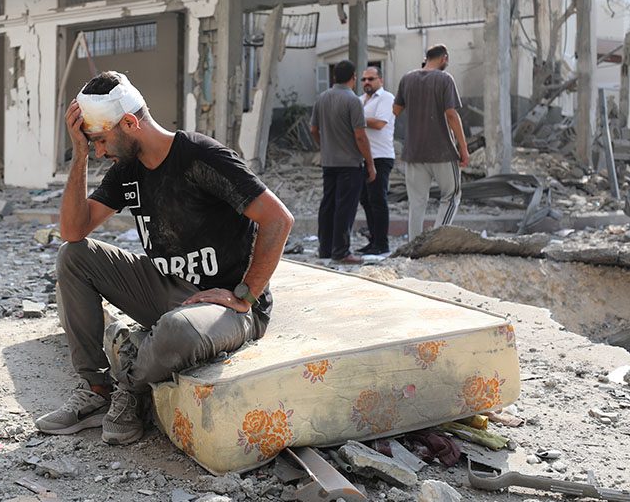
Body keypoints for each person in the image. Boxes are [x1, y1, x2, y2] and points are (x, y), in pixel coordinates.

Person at [35, 71, 294, 446]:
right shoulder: (127, 170)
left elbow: (278, 220)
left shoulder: (202, 157)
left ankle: (130, 387)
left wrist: (245, 294)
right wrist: (78, 156)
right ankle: (96, 390)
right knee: (73, 256)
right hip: (168, 288)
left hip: (224, 307)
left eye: (101, 140)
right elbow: (74, 231)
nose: (100, 151)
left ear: (129, 123)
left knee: (176, 330)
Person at [393, 44, 470, 240]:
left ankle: (414, 247)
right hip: (442, 151)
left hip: (414, 153)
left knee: (417, 202)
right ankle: (436, 241)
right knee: (451, 196)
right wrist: (463, 148)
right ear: (444, 58)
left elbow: (395, 111)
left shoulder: (407, 79)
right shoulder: (445, 79)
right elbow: (451, 115)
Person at [309, 60, 375, 264]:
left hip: (329, 162)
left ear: (334, 76)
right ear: (353, 77)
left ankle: (325, 248)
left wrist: (325, 146)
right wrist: (370, 163)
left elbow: (313, 129)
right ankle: (341, 251)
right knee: (345, 207)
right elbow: (360, 136)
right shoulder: (353, 100)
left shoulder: (322, 98)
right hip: (349, 163)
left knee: (327, 205)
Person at [356, 67, 396, 255]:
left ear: (380, 79)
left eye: (371, 79)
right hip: (363, 157)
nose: (366, 82)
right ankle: (373, 241)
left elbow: (380, 123)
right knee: (366, 200)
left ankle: (382, 243)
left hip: (381, 156)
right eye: (364, 79)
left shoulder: (387, 98)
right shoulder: (360, 100)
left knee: (378, 200)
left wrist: (356, 119)